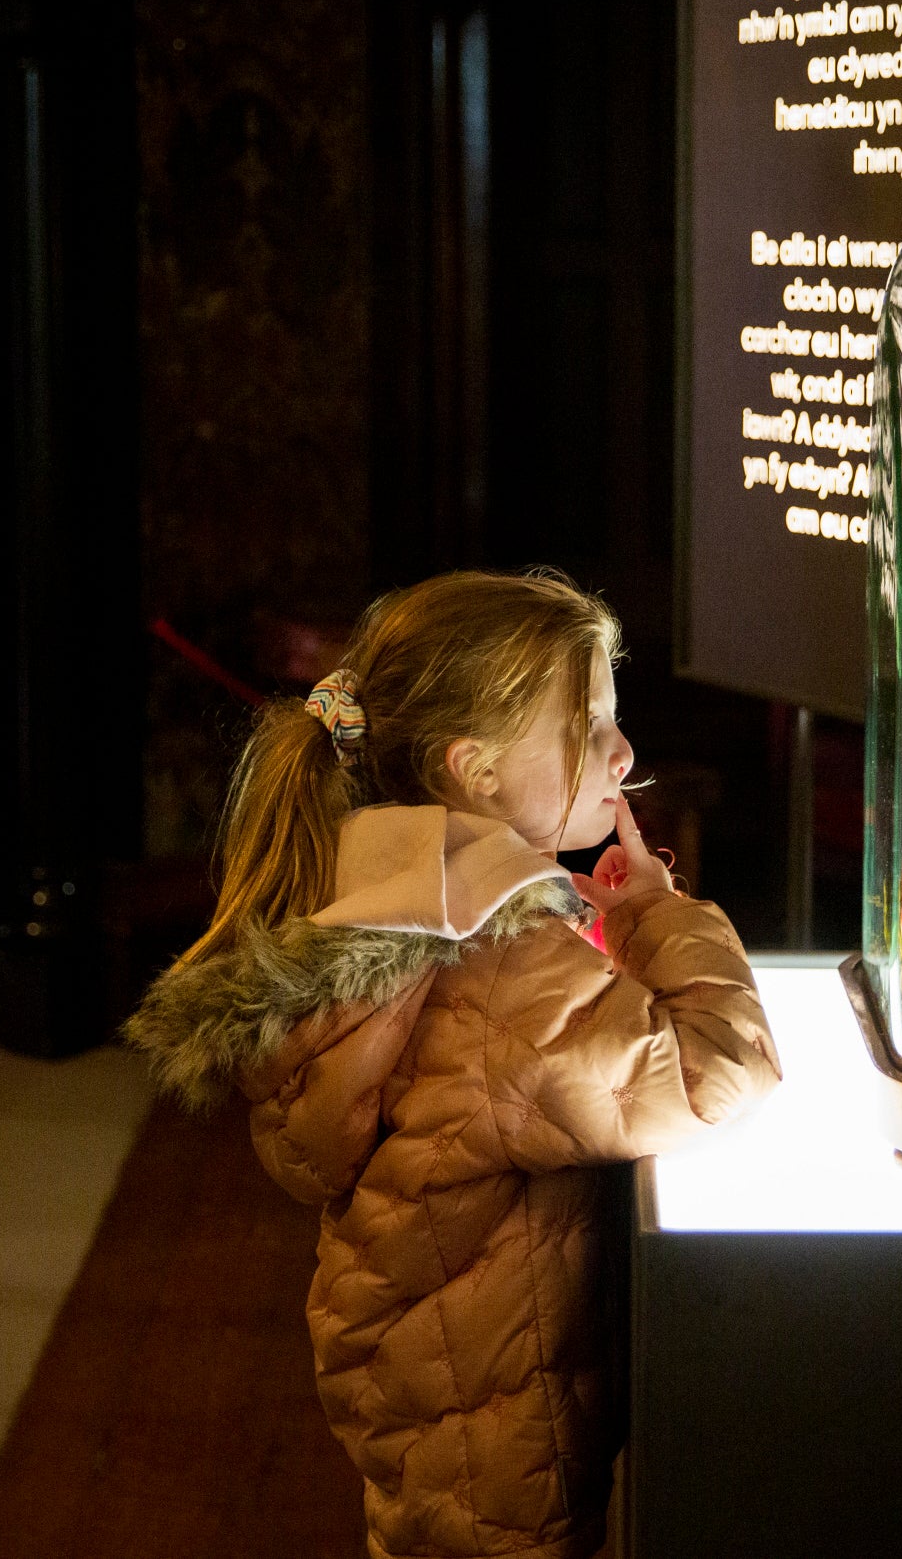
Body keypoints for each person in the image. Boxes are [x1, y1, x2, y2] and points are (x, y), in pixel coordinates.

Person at [129, 569, 781, 1559]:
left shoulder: (401, 890)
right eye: (588, 721)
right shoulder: (496, 956)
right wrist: (655, 914)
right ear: (473, 770)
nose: (623, 749)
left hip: (437, 1388)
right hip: (493, 1427)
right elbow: (716, 1074)